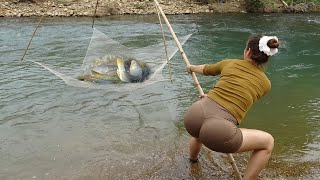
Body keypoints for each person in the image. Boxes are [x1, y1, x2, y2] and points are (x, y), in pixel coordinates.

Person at [184, 35, 279, 180]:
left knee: (199, 134)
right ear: (267, 57)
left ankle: (192, 160)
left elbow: (206, 69)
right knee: (268, 142)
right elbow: (238, 99)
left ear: (248, 51)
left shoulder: (229, 63)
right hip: (218, 130)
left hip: (194, 115)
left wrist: (191, 68)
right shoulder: (266, 84)